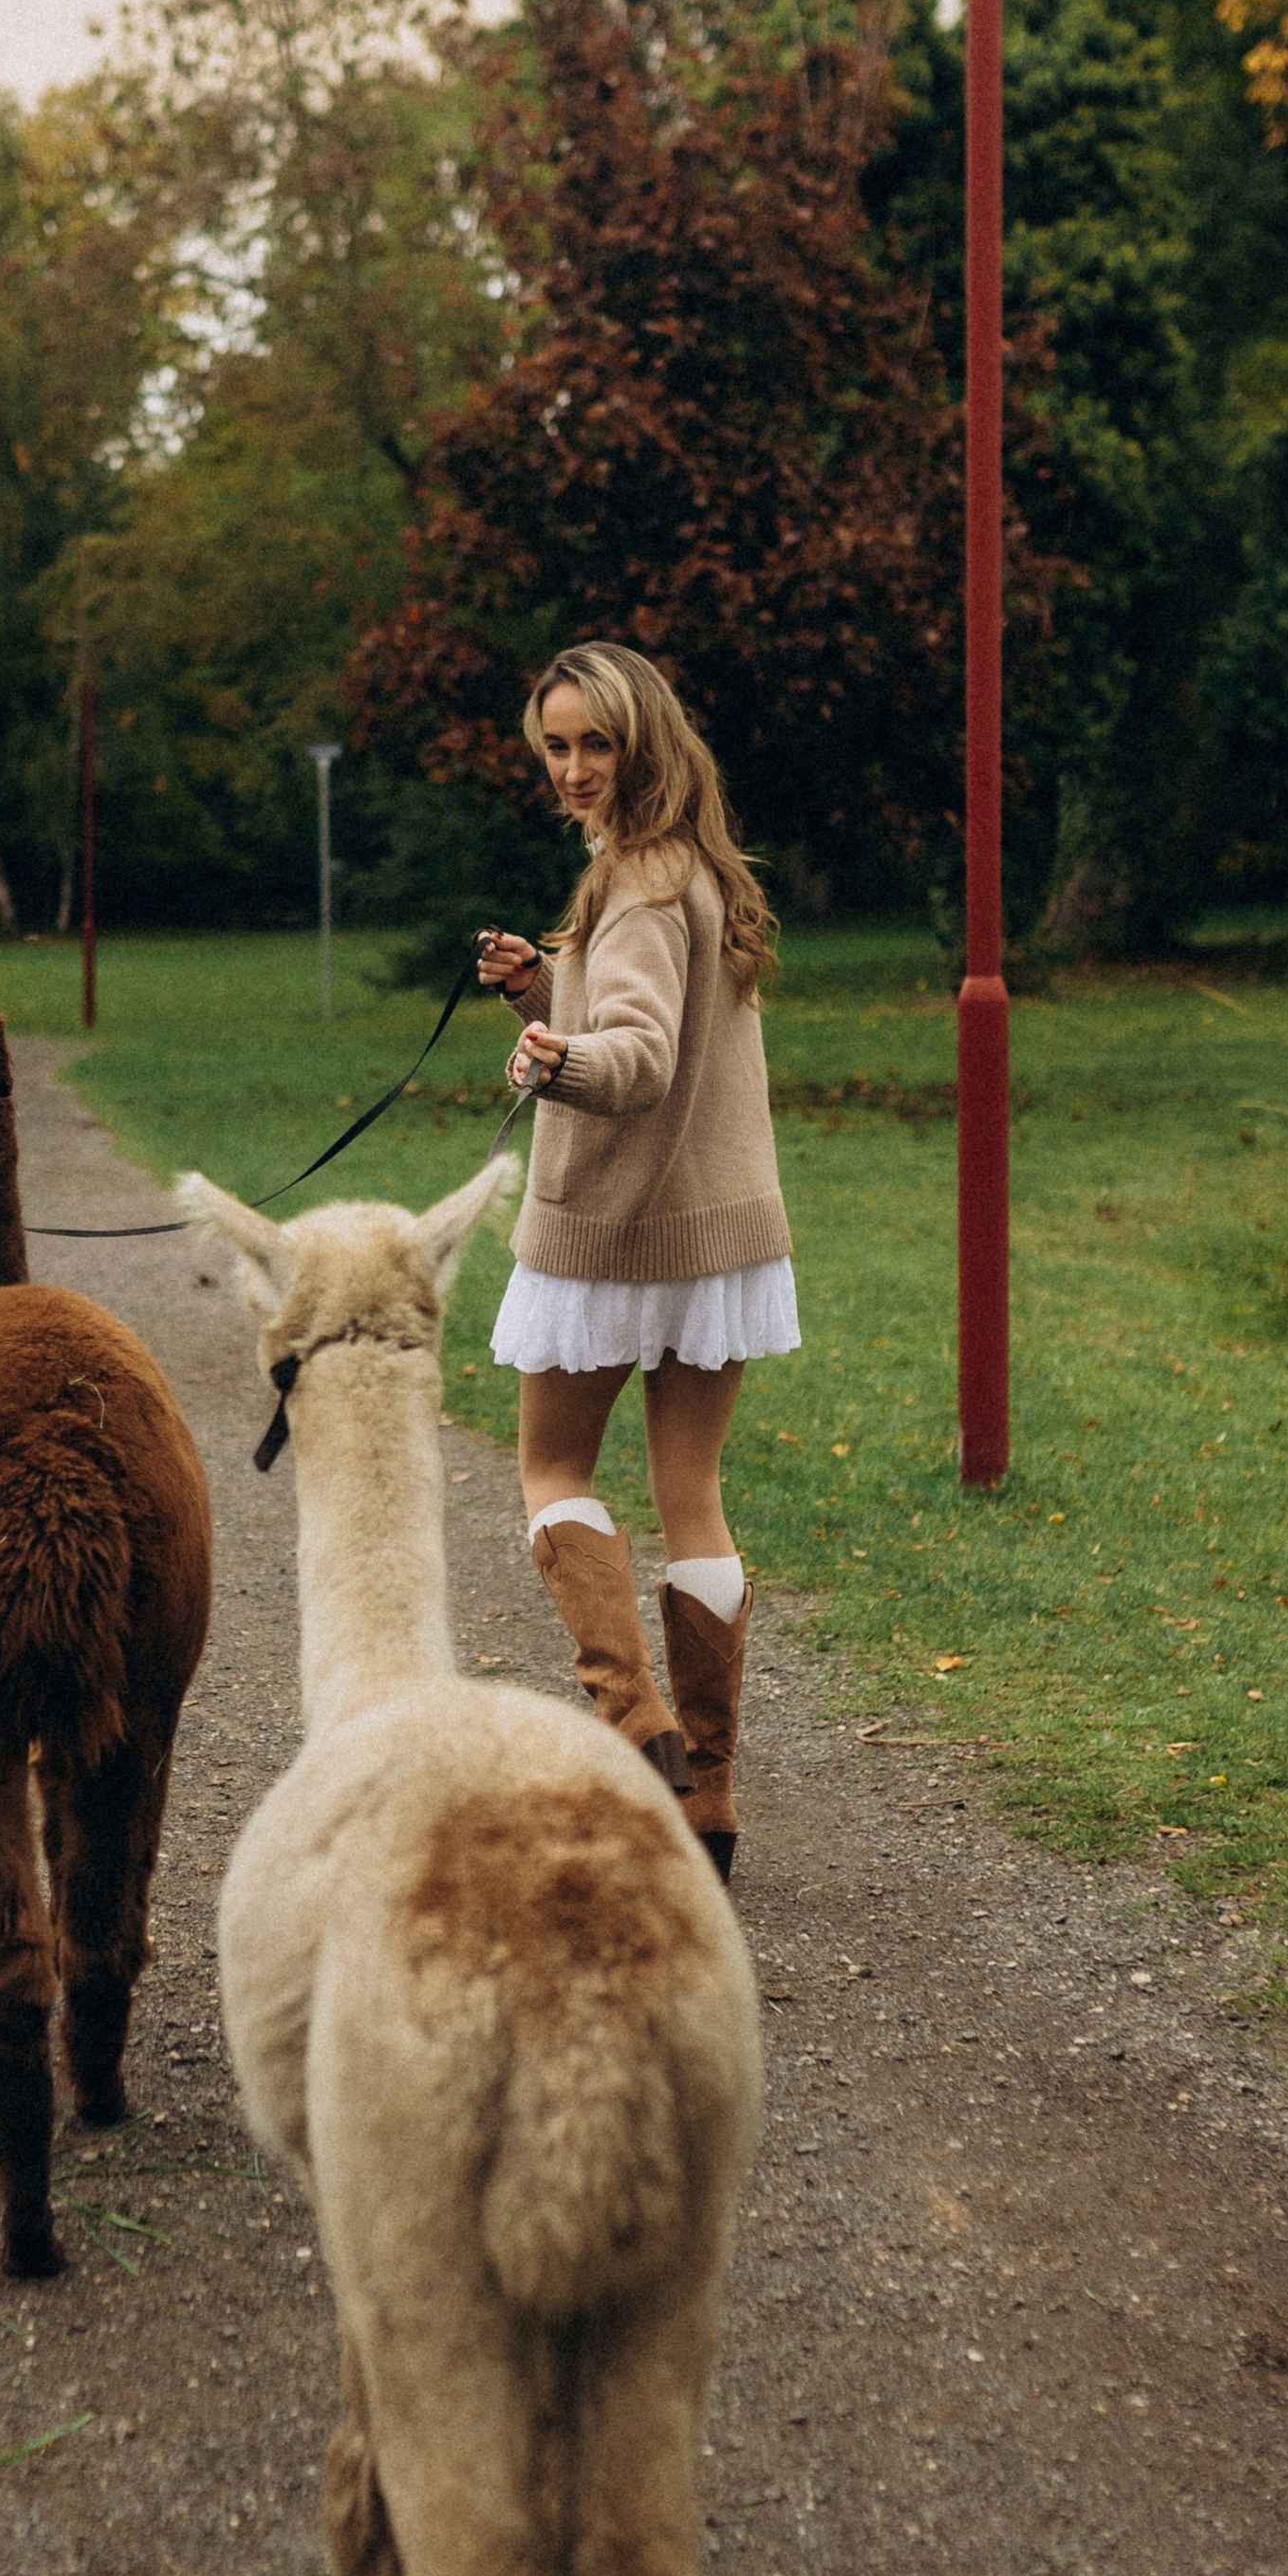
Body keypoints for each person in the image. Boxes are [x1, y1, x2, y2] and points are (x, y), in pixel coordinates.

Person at [475, 642, 796, 1879]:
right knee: (691, 1503)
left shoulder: (642, 880)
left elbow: (640, 1056)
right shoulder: (691, 869)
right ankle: (706, 1798)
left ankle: (634, 1719)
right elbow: (624, 1014)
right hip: (718, 1237)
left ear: (642, 740)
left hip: (613, 1235)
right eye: (554, 746)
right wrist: (537, 992)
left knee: (552, 1465)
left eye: (592, 744)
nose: (570, 769)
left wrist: (555, 1060)